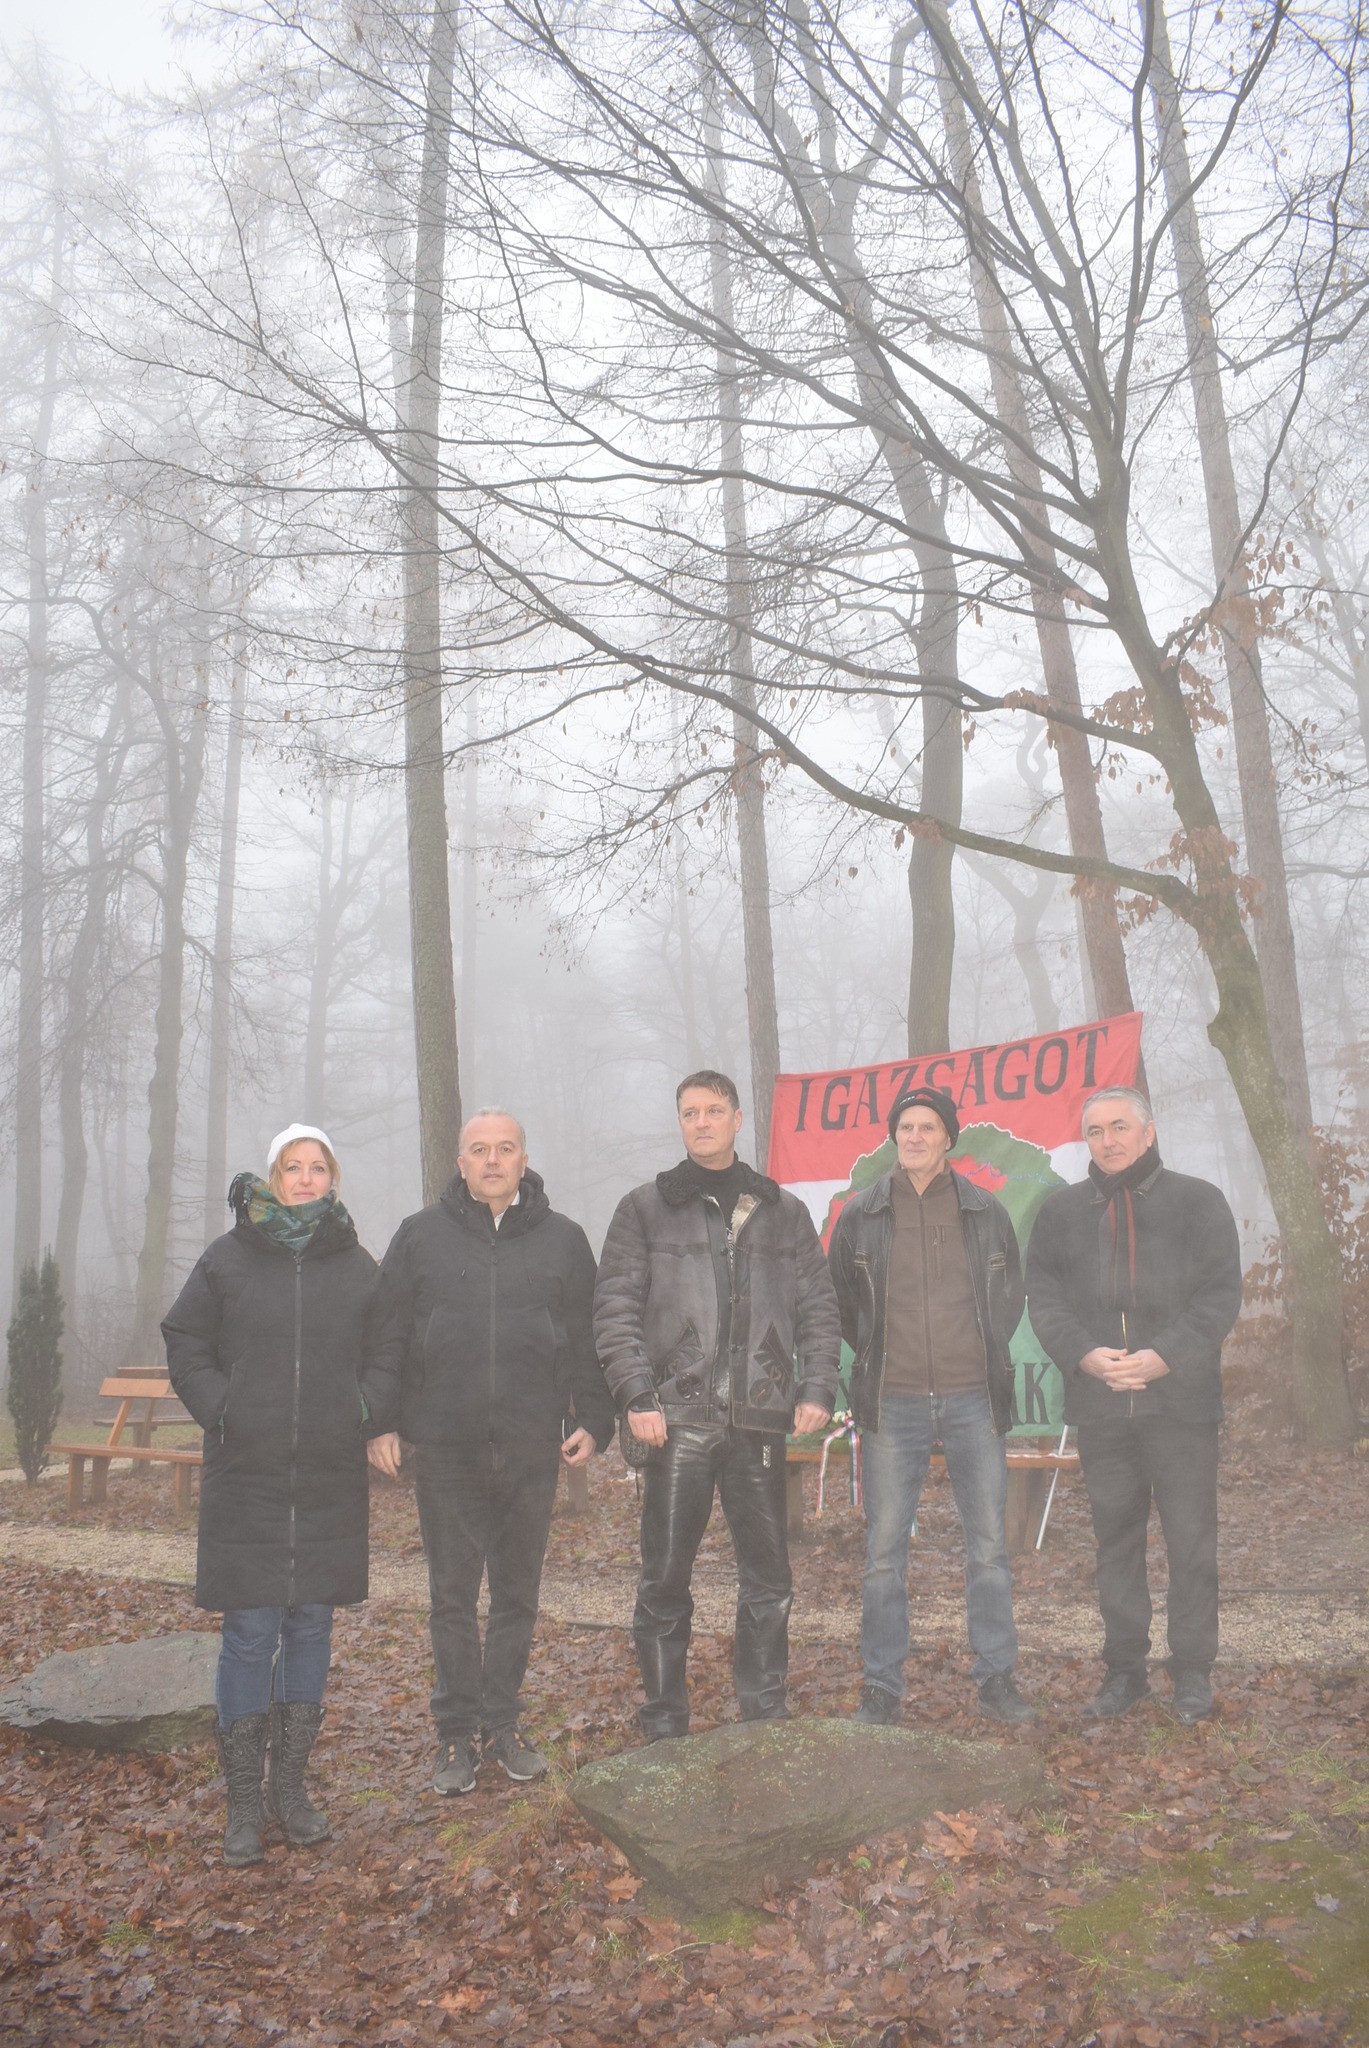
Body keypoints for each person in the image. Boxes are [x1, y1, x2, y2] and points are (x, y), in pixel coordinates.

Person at [365, 1110, 614, 1795]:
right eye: (479, 1150)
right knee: (450, 1598)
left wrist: (595, 1419)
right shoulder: (420, 1236)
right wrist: (381, 1423)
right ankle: (454, 1733)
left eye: (505, 1149)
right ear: (461, 1162)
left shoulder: (563, 1240)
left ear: (524, 1160)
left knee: (516, 1596)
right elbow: (386, 1335)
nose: (493, 1160)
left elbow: (587, 1337)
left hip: (531, 1445)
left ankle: (502, 1723)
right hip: (446, 1447)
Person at [593, 1069, 841, 1740]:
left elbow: (818, 1306)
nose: (700, 1121)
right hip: (674, 1420)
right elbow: (614, 1308)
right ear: (680, 1122)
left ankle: (763, 1714)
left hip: (758, 1419)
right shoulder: (644, 1208)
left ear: (737, 1119)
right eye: (689, 1112)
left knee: (769, 1579)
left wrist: (816, 1386)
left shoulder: (782, 1211)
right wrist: (637, 1393)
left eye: (712, 1110)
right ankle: (664, 1719)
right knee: (664, 1578)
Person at [163, 1124, 384, 1868]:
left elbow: (391, 1350)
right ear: (274, 1177)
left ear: (332, 1178)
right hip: (246, 1478)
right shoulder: (227, 1259)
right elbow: (185, 1338)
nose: (305, 1178)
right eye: (293, 1167)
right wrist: (221, 1407)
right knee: (251, 1633)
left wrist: (362, 1408)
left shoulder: (355, 1265)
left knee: (311, 1626)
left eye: (318, 1167)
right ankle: (243, 1804)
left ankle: (290, 1790)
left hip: (326, 1477)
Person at [1026, 1087, 1243, 1724]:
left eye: (1120, 1127)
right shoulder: (1061, 1212)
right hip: (1101, 1409)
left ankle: (1193, 1672)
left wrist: (1164, 1356)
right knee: (1115, 1546)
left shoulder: (1198, 1202)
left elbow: (1219, 1296)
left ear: (1148, 1133)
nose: (1108, 1141)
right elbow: (1044, 1297)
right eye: (1095, 1131)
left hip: (1181, 1406)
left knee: (1191, 1543)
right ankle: (1125, 1673)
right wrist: (1084, 1355)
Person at [827, 1086, 1037, 1728]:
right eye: (905, 1127)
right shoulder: (862, 1214)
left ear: (948, 1137)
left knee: (989, 1547)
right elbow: (842, 1301)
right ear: (895, 1136)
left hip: (974, 1398)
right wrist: (881, 1355)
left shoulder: (984, 1209)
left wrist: (972, 1354)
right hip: (892, 1403)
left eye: (927, 1127)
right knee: (884, 1553)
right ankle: (881, 1687)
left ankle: (996, 1679)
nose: (914, 1137)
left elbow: (1008, 1295)